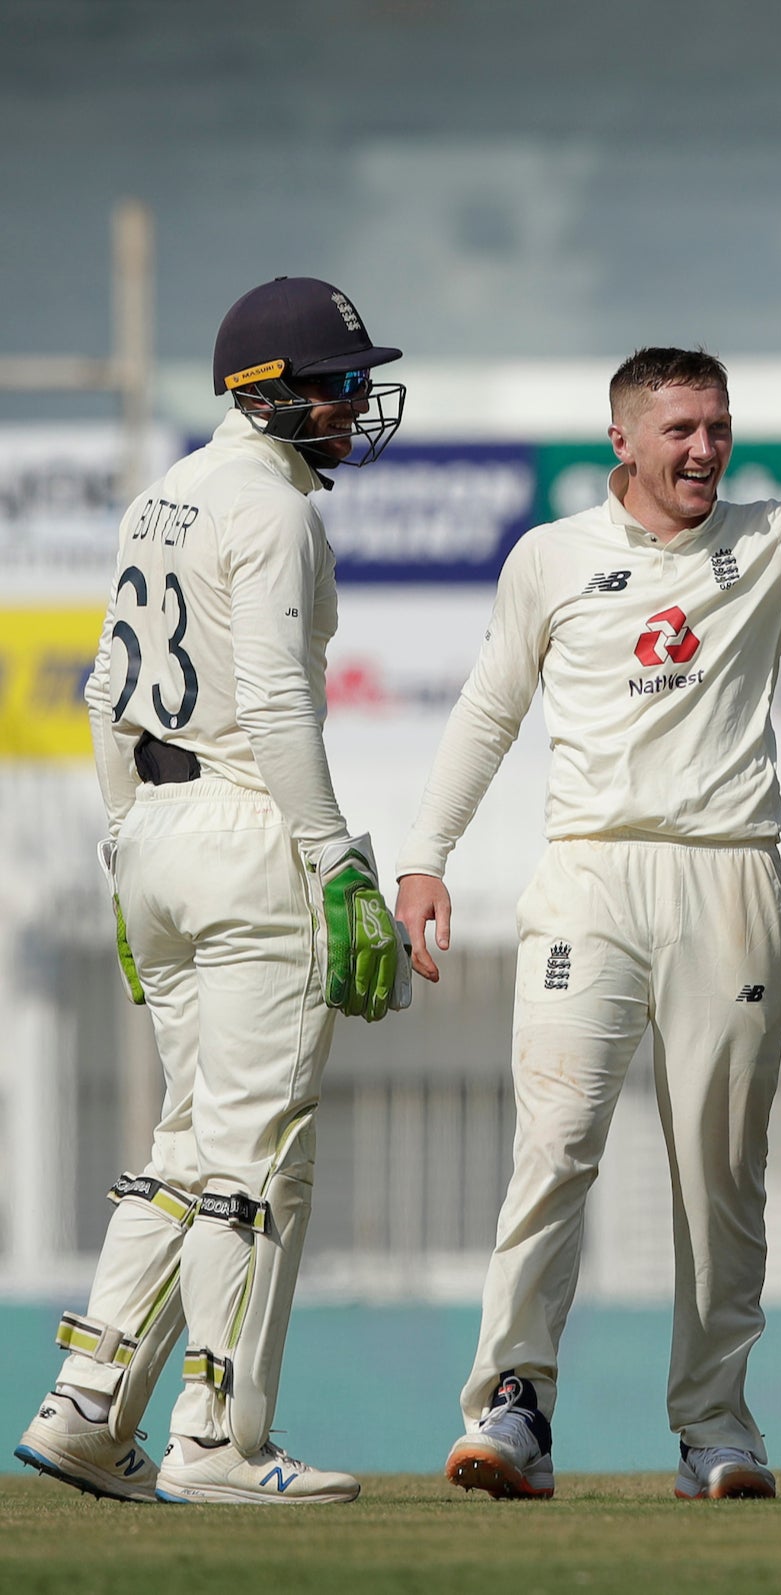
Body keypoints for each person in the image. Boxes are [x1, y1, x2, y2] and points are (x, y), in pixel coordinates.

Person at [393, 347, 781, 1502]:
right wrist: (422, 860)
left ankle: (715, 1426)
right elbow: (490, 706)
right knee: (553, 1146)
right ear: (624, 441)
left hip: (731, 876)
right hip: (590, 879)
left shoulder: (776, 538)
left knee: (721, 1172)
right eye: (681, 429)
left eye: (718, 426)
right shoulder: (551, 556)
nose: (705, 449)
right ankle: (514, 1403)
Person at [13, 277, 409, 1505]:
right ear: (271, 395)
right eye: (338, 387)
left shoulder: (162, 495)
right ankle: (219, 1443)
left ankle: (85, 1408)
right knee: (254, 1157)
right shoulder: (272, 510)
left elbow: (98, 695)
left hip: (155, 837)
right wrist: (337, 856)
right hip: (248, 835)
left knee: (185, 1145)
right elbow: (283, 706)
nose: (354, 407)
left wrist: (128, 847)